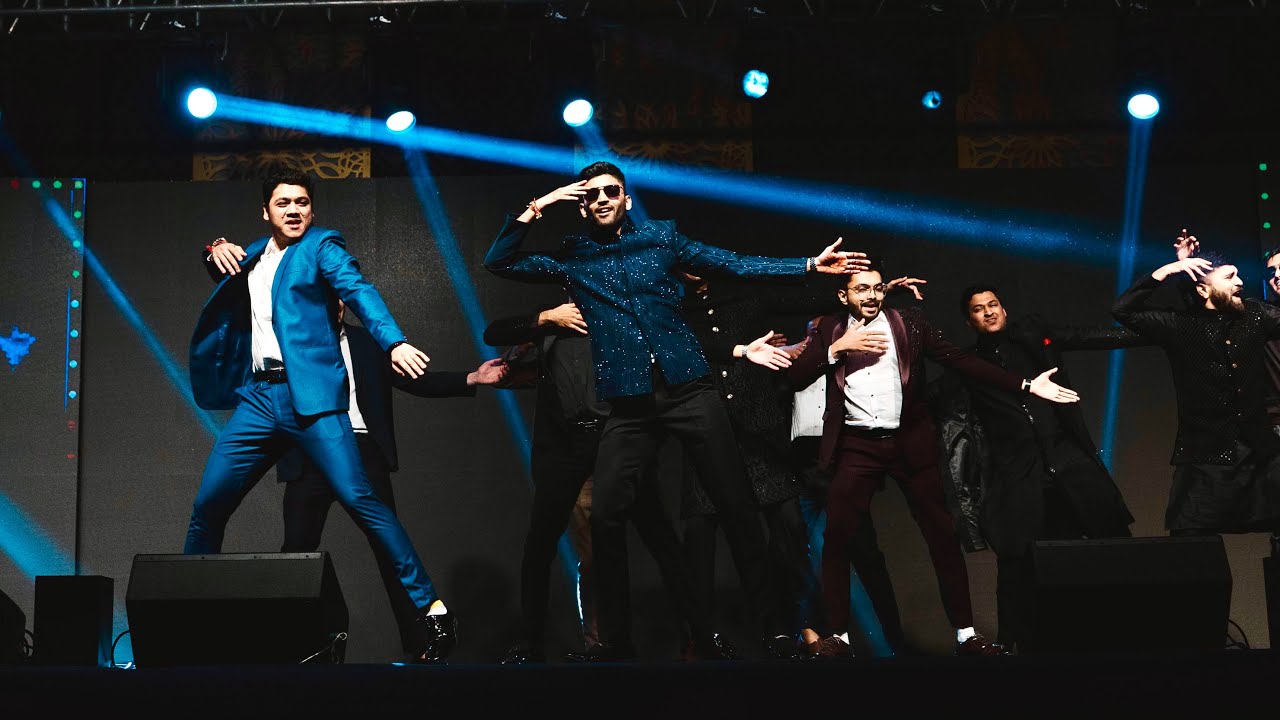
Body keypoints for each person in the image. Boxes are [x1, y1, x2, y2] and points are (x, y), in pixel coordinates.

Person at [483, 160, 863, 659]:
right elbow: (500, 261)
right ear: (581, 206)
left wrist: (808, 265)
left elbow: (732, 262)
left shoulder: (661, 238)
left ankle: (775, 632)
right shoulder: (574, 256)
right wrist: (541, 205)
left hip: (688, 390)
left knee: (736, 507)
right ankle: (617, 642)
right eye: (591, 194)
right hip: (630, 404)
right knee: (607, 516)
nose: (601, 199)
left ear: (627, 199)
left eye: (611, 191)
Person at [186, 172, 455, 663]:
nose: (294, 210)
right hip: (259, 398)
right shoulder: (253, 254)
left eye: (303, 202)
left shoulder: (322, 247)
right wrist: (214, 247)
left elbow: (359, 290)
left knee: (361, 498)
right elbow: (218, 263)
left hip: (309, 397)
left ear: (312, 211)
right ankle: (187, 623)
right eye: (283, 203)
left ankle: (432, 608)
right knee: (209, 504)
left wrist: (393, 341)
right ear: (265, 212)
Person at [786, 259, 1080, 657]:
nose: (871, 295)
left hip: (909, 442)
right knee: (837, 538)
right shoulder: (828, 330)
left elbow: (961, 360)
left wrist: (1025, 385)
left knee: (941, 535)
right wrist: (837, 349)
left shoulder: (909, 324)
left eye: (877, 288)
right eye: (861, 289)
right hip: (858, 446)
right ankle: (839, 638)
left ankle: (967, 636)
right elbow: (796, 377)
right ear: (844, 295)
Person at [278, 301, 507, 660]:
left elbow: (416, 380)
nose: (334, 303)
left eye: (339, 296)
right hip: (311, 453)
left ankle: (420, 646)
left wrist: (472, 378)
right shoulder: (288, 342)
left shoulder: (369, 342)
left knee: (391, 550)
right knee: (295, 552)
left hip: (362, 450)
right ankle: (289, 648)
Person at [941, 284, 1137, 652]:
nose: (989, 312)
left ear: (1005, 309)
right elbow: (931, 401)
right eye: (979, 309)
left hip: (1068, 463)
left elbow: (1089, 336)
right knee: (1017, 564)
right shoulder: (968, 366)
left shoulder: (1032, 337)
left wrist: (1157, 330)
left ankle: (1134, 632)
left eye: (993, 304)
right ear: (969, 321)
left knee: (1112, 542)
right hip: (1018, 476)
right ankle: (1013, 646)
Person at [1113, 239, 1280, 543]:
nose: (1240, 282)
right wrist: (1169, 270)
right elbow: (1123, 310)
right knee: (1190, 540)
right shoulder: (1179, 325)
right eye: (1229, 277)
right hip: (1205, 457)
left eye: (1238, 275)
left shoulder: (1255, 315)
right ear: (1203, 290)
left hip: (1260, 454)